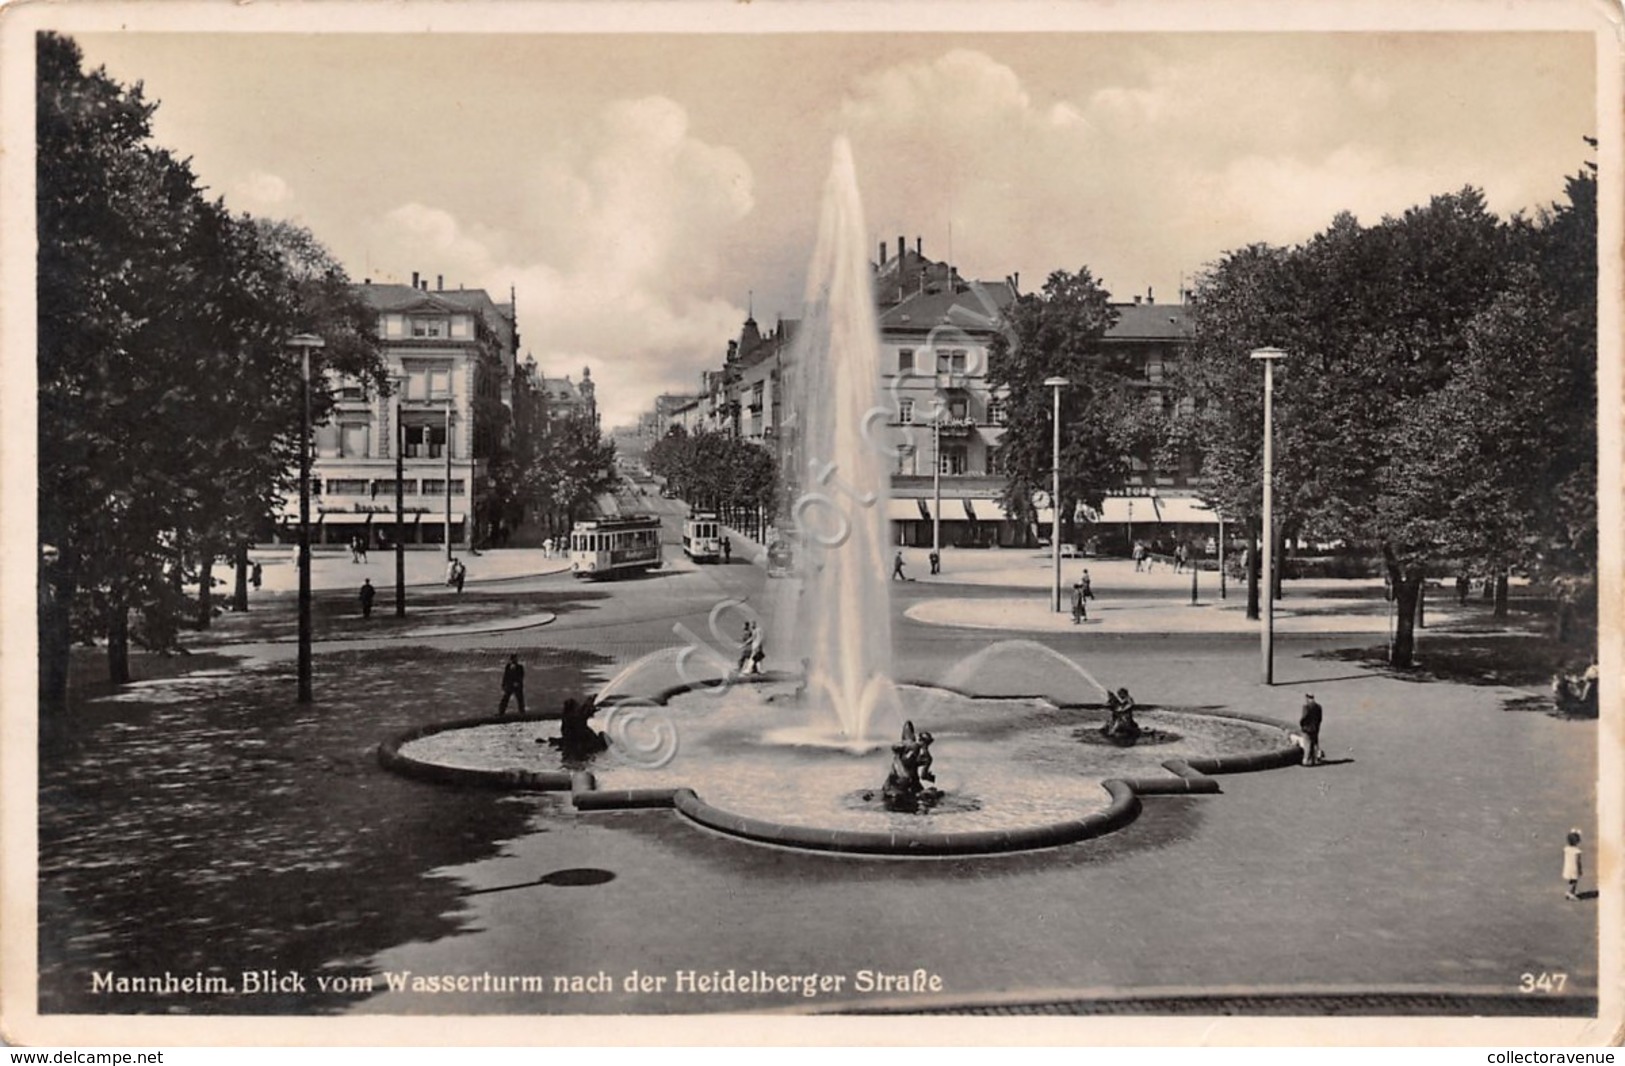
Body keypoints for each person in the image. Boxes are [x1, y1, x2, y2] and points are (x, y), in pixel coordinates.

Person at [1299, 693, 1324, 766]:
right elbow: (1320, 718)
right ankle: (1316, 759)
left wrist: (1302, 724)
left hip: (1307, 728)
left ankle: (1307, 760)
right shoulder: (1318, 706)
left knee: (1307, 744)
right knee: (1314, 743)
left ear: (1307, 698)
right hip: (1315, 727)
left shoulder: (1306, 707)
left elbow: (1304, 717)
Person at [1563, 829, 1584, 901]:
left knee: (1571, 881)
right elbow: (1578, 861)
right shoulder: (1577, 851)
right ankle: (1570, 893)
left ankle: (1570, 891)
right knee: (1574, 881)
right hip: (1574, 868)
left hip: (1568, 867)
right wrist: (1580, 870)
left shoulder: (1566, 849)